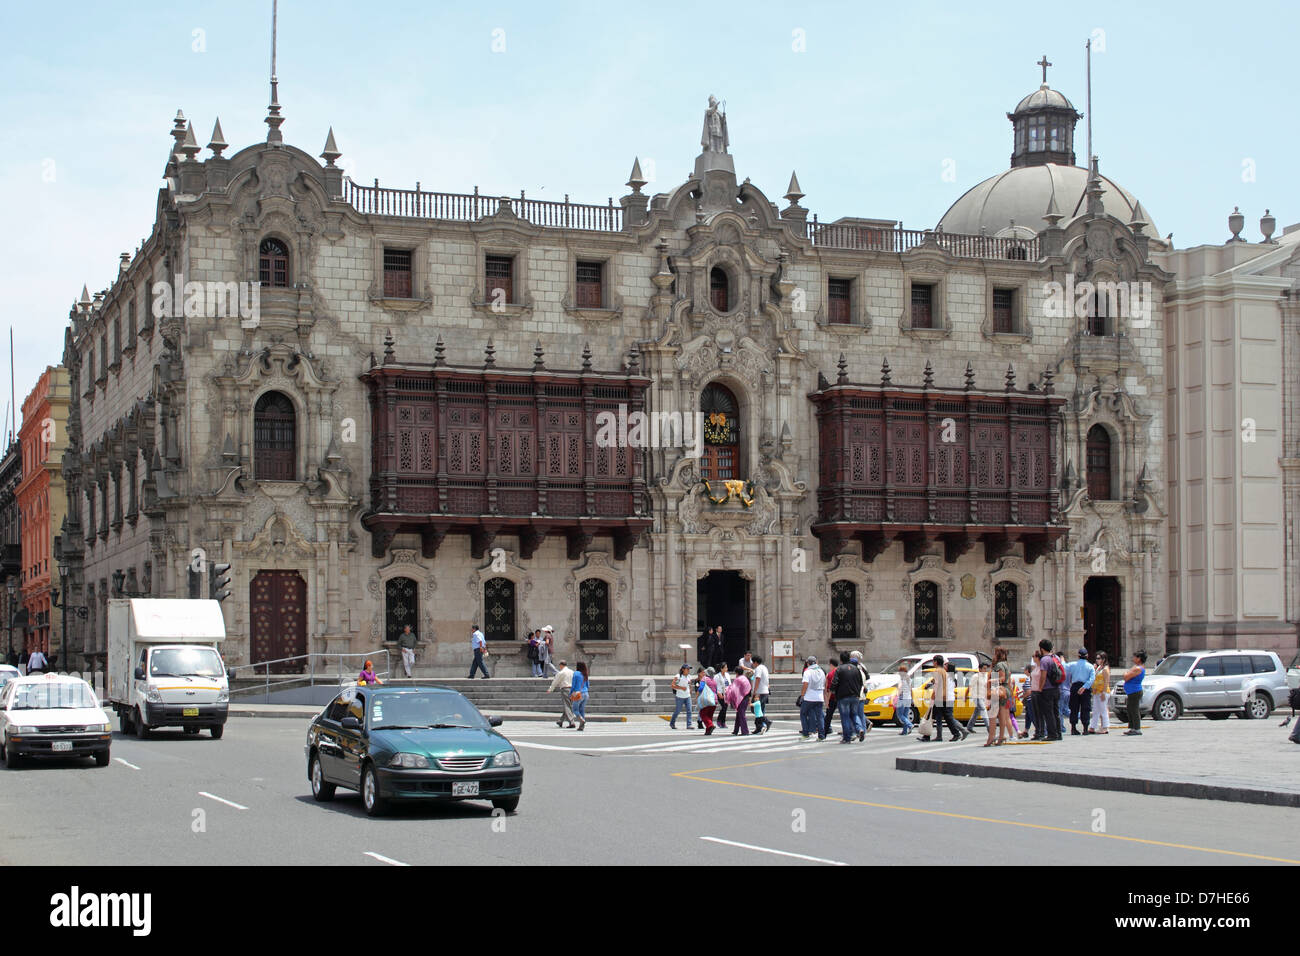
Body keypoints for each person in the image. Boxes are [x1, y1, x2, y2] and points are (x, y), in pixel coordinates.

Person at [929, 656, 968, 741]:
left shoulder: (944, 674)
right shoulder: (952, 677)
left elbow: (937, 684)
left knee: (947, 717)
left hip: (943, 698)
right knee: (943, 717)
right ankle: (939, 735)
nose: (944, 666)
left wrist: (933, 694)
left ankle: (959, 732)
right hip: (949, 698)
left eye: (946, 666)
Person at [831, 651, 866, 743]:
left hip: (843, 696)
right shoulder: (856, 669)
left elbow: (834, 682)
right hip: (855, 696)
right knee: (854, 714)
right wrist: (857, 693)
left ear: (841, 660)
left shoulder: (839, 669)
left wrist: (833, 690)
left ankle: (847, 737)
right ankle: (860, 729)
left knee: (845, 717)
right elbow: (860, 683)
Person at [1035, 639, 1064, 741]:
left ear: (1042, 649)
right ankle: (1058, 733)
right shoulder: (1055, 657)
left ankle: (1052, 734)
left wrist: (1040, 688)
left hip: (1047, 689)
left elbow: (1043, 676)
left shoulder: (1044, 660)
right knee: (1056, 712)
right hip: (1056, 687)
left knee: (1049, 713)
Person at [1068, 648, 1096, 735]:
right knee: (1085, 708)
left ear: (1078, 656)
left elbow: (1064, 669)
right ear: (1087, 656)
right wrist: (1084, 687)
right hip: (1085, 688)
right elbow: (1092, 679)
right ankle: (1085, 729)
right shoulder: (1090, 666)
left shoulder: (1072, 665)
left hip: (1075, 686)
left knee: (1074, 708)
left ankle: (1073, 728)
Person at [966, 661, 994, 744]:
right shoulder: (975, 676)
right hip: (976, 696)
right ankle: (989, 727)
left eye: (986, 668)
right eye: (984, 668)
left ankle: (969, 726)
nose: (985, 670)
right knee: (983, 710)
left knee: (976, 712)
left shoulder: (986, 676)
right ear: (980, 669)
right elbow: (970, 686)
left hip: (983, 696)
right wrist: (965, 695)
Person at [799, 656, 826, 741]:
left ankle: (806, 733)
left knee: (803, 714)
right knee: (820, 716)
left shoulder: (808, 671)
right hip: (819, 696)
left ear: (808, 663)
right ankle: (821, 735)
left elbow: (805, 684)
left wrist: (802, 695)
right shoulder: (821, 671)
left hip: (809, 697)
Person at [1121, 651, 1147, 736]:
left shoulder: (1138, 668)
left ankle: (1137, 728)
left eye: (1135, 657)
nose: (1133, 659)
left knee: (1134, 710)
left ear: (1139, 658)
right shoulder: (1136, 667)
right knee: (1130, 709)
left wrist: (1126, 673)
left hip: (1135, 691)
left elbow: (1126, 677)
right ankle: (1132, 727)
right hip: (1132, 691)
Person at [993, 648, 1015, 745]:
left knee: (1002, 716)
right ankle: (1006, 735)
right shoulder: (1006, 664)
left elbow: (1001, 678)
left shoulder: (999, 665)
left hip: (1002, 690)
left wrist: (991, 681)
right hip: (1006, 690)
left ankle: (1001, 736)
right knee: (1006, 716)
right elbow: (1009, 681)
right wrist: (1012, 696)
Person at [1087, 651, 1111, 735]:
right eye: (1096, 658)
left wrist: (1104, 693)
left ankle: (1105, 727)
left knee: (1103, 709)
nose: (1097, 660)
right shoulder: (1098, 668)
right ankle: (1092, 726)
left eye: (1099, 658)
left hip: (1102, 691)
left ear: (1103, 659)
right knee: (1096, 709)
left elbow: (1106, 682)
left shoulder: (1105, 669)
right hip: (1096, 691)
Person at [548, 659, 576, 728]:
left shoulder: (561, 673)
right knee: (569, 705)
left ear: (561, 665)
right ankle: (560, 721)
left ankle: (571, 722)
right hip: (572, 689)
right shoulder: (572, 672)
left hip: (565, 689)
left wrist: (550, 689)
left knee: (567, 706)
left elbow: (555, 681)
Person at [727, 664, 752, 736]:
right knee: (739, 714)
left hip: (741, 698)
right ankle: (736, 730)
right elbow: (749, 689)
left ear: (736, 673)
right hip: (746, 697)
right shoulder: (745, 678)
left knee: (741, 714)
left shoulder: (738, 680)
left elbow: (734, 690)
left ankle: (745, 731)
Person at [751, 654, 772, 734]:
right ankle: (759, 727)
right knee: (759, 710)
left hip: (760, 692)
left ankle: (766, 721)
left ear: (755, 662)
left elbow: (758, 679)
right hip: (764, 691)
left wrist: (755, 691)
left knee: (755, 710)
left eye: (753, 663)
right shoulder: (764, 667)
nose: (752, 664)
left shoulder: (758, 668)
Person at [670, 664, 694, 730]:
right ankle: (672, 722)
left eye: (689, 669)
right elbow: (672, 685)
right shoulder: (678, 676)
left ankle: (689, 725)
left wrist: (690, 690)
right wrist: (681, 688)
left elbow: (690, 684)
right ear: (683, 669)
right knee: (678, 711)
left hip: (687, 696)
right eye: (687, 669)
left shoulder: (689, 676)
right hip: (679, 696)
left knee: (689, 710)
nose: (688, 670)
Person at [696, 666, 718, 735]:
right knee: (709, 715)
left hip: (707, 699)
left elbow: (701, 688)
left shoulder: (704, 679)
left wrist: (698, 693)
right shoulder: (714, 681)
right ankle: (708, 730)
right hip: (714, 700)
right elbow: (716, 690)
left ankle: (710, 725)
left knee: (703, 714)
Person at [894, 663, 913, 735]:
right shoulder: (909, 679)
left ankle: (910, 725)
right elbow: (911, 689)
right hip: (908, 698)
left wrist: (897, 696)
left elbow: (899, 688)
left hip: (902, 698)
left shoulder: (902, 680)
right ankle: (904, 731)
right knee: (905, 715)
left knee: (900, 715)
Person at [570, 661, 589, 731]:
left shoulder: (576, 673)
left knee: (575, 710)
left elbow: (573, 685)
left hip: (578, 694)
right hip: (586, 693)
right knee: (582, 710)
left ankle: (581, 720)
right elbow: (587, 685)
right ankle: (581, 726)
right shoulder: (585, 674)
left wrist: (571, 693)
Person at [714, 661, 731, 729]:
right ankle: (720, 720)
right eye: (725, 667)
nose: (726, 669)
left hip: (727, 693)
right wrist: (718, 693)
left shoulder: (727, 675)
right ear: (721, 668)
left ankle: (722, 722)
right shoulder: (717, 676)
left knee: (725, 707)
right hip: (720, 693)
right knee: (724, 707)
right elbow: (716, 685)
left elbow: (729, 683)